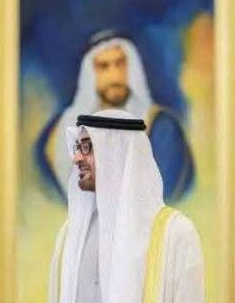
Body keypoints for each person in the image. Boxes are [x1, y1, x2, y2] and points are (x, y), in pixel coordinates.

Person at [31, 110, 211, 303]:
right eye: (78, 147)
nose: (77, 158)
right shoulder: (69, 237)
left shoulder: (175, 237)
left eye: (88, 147)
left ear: (118, 151)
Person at [36, 31, 195, 204]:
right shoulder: (59, 134)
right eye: (103, 67)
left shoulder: (161, 127)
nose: (115, 76)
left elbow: (168, 197)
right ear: (90, 75)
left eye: (120, 64)